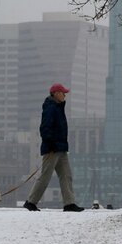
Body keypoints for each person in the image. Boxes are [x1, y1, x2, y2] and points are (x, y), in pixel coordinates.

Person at [23, 83, 85, 212]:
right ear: (56, 93)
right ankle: (31, 202)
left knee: (67, 175)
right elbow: (45, 128)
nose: (65, 96)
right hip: (52, 148)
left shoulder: (58, 107)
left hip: (61, 148)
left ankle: (69, 203)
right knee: (45, 176)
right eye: (63, 93)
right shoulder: (51, 107)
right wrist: (50, 144)